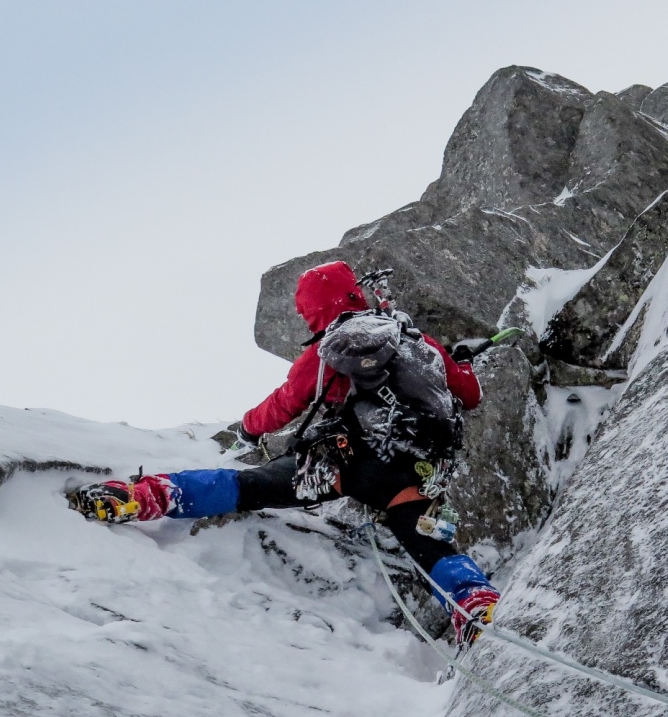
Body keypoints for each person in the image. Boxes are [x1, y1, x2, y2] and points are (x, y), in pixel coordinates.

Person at [67, 260, 500, 642]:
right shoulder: (413, 340)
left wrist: (248, 430)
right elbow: (470, 393)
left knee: (249, 485)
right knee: (426, 544)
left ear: (314, 308)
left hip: (349, 465)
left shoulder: (332, 349)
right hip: (417, 472)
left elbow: (284, 405)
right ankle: (474, 604)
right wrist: (458, 362)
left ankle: (147, 496)